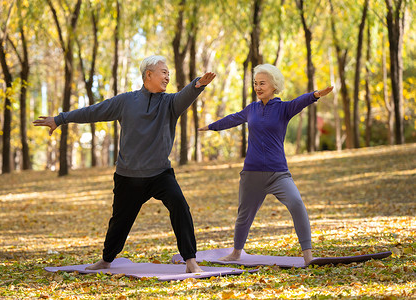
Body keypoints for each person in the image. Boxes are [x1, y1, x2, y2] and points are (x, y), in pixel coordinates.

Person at [34, 55, 216, 273]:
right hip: (128, 176)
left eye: (169, 73)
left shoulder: (170, 104)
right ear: (148, 74)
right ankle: (106, 260)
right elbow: (94, 111)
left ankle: (191, 261)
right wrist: (61, 118)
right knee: (119, 221)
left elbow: (185, 96)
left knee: (179, 205)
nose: (168, 76)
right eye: (164, 72)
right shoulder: (126, 101)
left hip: (160, 174)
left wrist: (198, 84)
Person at [199, 64, 333, 265]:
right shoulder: (251, 109)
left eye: (262, 83)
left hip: (278, 173)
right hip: (251, 173)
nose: (258, 87)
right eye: (255, 83)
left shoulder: (283, 108)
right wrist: (211, 127)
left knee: (296, 203)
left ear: (274, 85)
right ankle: (236, 253)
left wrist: (315, 94)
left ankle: (308, 256)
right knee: (244, 216)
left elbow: (301, 101)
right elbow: (233, 119)